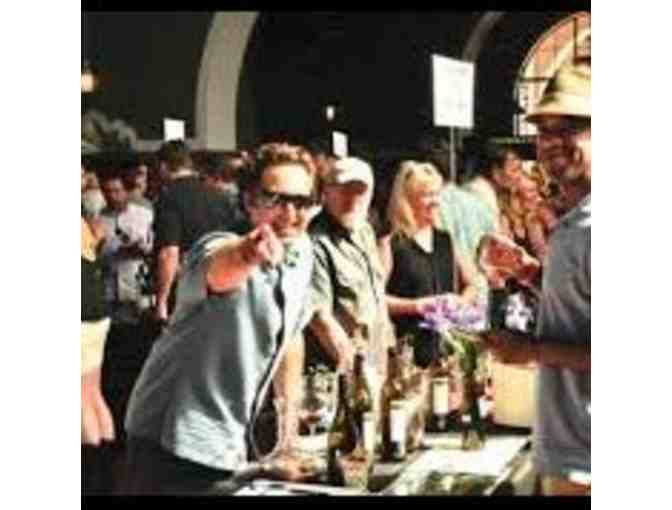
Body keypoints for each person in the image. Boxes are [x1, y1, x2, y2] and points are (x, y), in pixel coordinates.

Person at [121, 143, 318, 494]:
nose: (289, 213)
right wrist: (249, 253)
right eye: (274, 199)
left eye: (301, 202)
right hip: (171, 438)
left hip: (230, 441)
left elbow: (292, 338)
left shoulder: (301, 253)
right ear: (249, 200)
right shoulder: (217, 245)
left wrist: (287, 437)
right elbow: (220, 270)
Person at [484, 62, 591, 496]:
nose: (553, 141)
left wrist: (529, 350)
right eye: (545, 130)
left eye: (572, 127)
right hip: (571, 452)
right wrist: (532, 273)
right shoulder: (577, 220)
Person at [306, 156, 394, 384]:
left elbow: (375, 293)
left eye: (360, 191)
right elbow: (320, 319)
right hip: (339, 372)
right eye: (344, 189)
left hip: (374, 358)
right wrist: (357, 375)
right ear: (326, 192)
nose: (352, 198)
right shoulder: (316, 243)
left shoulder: (364, 229)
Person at [384, 160, 479, 368]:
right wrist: (417, 306)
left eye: (437, 194)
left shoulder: (446, 239)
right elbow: (376, 300)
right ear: (407, 200)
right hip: (407, 357)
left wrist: (460, 303)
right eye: (427, 195)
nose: (435, 201)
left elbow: (473, 283)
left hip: (448, 353)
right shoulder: (392, 244)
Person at [97, 165, 155, 443]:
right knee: (116, 351)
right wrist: (112, 249)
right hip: (111, 291)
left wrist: (140, 248)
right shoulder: (99, 219)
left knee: (139, 349)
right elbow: (96, 253)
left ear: (126, 190)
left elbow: (154, 246)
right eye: (108, 191)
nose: (113, 196)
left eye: (117, 190)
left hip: (137, 289)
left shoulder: (143, 215)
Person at [152, 140, 229, 325]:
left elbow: (169, 252)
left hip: (185, 289)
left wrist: (162, 301)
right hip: (220, 284)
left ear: (163, 166)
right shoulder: (219, 196)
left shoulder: (169, 197)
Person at [81, 166, 116, 494]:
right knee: (93, 392)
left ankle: (90, 480)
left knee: (79, 397)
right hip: (97, 310)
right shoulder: (89, 223)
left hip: (79, 313)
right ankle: (106, 473)